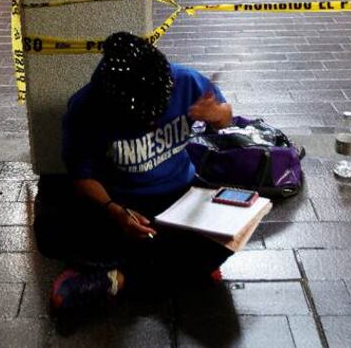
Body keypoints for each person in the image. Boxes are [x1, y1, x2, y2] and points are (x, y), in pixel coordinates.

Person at [34, 31, 235, 315]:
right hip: (123, 204)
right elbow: (82, 175)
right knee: (49, 231)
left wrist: (219, 117)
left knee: (230, 233)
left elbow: (226, 116)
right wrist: (115, 210)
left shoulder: (186, 81)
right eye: (143, 117)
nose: (153, 122)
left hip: (180, 194)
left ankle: (118, 279)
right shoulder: (85, 107)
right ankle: (180, 269)